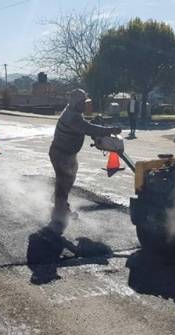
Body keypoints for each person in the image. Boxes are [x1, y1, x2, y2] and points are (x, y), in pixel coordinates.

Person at [49, 89, 122, 234]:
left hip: (66, 153)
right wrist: (110, 130)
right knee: (64, 181)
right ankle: (59, 215)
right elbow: (87, 128)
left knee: (68, 179)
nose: (84, 105)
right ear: (76, 103)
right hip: (62, 154)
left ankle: (60, 202)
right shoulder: (72, 117)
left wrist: (93, 124)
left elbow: (84, 125)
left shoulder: (73, 112)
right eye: (82, 102)